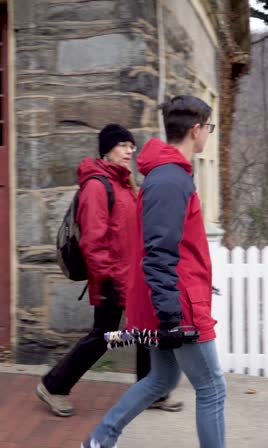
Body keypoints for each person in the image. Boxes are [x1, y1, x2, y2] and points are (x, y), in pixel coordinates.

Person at [82, 96, 226, 448]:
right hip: (176, 307)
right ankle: (100, 439)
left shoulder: (166, 176)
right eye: (208, 127)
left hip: (167, 300)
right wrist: (171, 318)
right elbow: (159, 254)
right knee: (212, 389)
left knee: (160, 379)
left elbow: (171, 247)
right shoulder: (171, 180)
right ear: (196, 130)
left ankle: (100, 439)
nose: (208, 133)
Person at [36, 124, 183, 417]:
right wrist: (107, 279)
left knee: (144, 331)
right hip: (111, 279)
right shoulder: (96, 185)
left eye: (132, 145)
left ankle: (152, 392)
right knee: (105, 336)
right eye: (123, 145)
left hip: (132, 276)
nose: (130, 150)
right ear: (107, 149)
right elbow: (93, 240)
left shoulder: (123, 184)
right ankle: (54, 385)